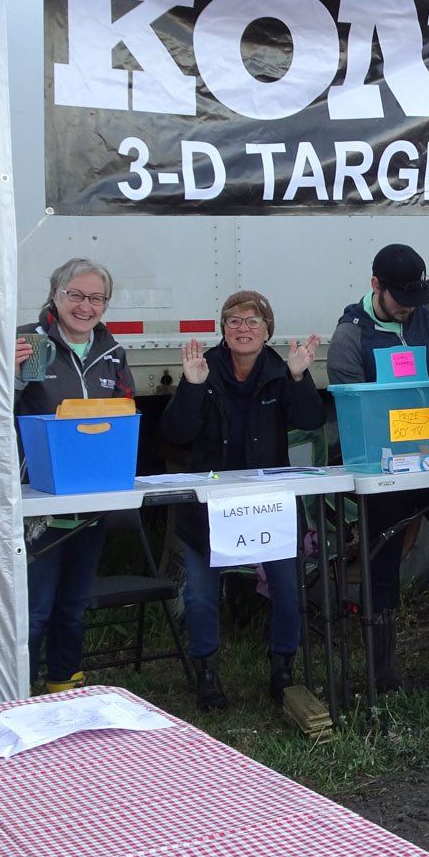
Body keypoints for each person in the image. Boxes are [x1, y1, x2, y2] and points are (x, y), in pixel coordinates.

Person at [327, 244, 429, 690]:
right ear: (375, 285)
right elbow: (352, 412)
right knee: (381, 569)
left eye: (415, 299)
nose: (408, 310)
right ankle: (382, 675)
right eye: (401, 301)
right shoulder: (350, 336)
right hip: (386, 471)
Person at [160, 290, 324, 710]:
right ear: (223, 330)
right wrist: (192, 387)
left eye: (253, 321)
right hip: (210, 505)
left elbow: (309, 421)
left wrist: (300, 378)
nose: (243, 328)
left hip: (267, 501)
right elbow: (176, 433)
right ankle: (207, 672)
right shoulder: (204, 368)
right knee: (199, 593)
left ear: (268, 330)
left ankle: (282, 670)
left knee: (288, 589)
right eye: (234, 321)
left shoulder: (279, 369)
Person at [15, 257, 134, 692]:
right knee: (35, 610)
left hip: (92, 498)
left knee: (74, 604)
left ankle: (64, 687)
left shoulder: (112, 353)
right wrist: (6, 376)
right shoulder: (30, 343)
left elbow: (124, 417)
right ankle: (19, 693)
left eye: (96, 298)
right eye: (76, 296)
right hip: (40, 500)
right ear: (56, 294)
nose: (86, 306)